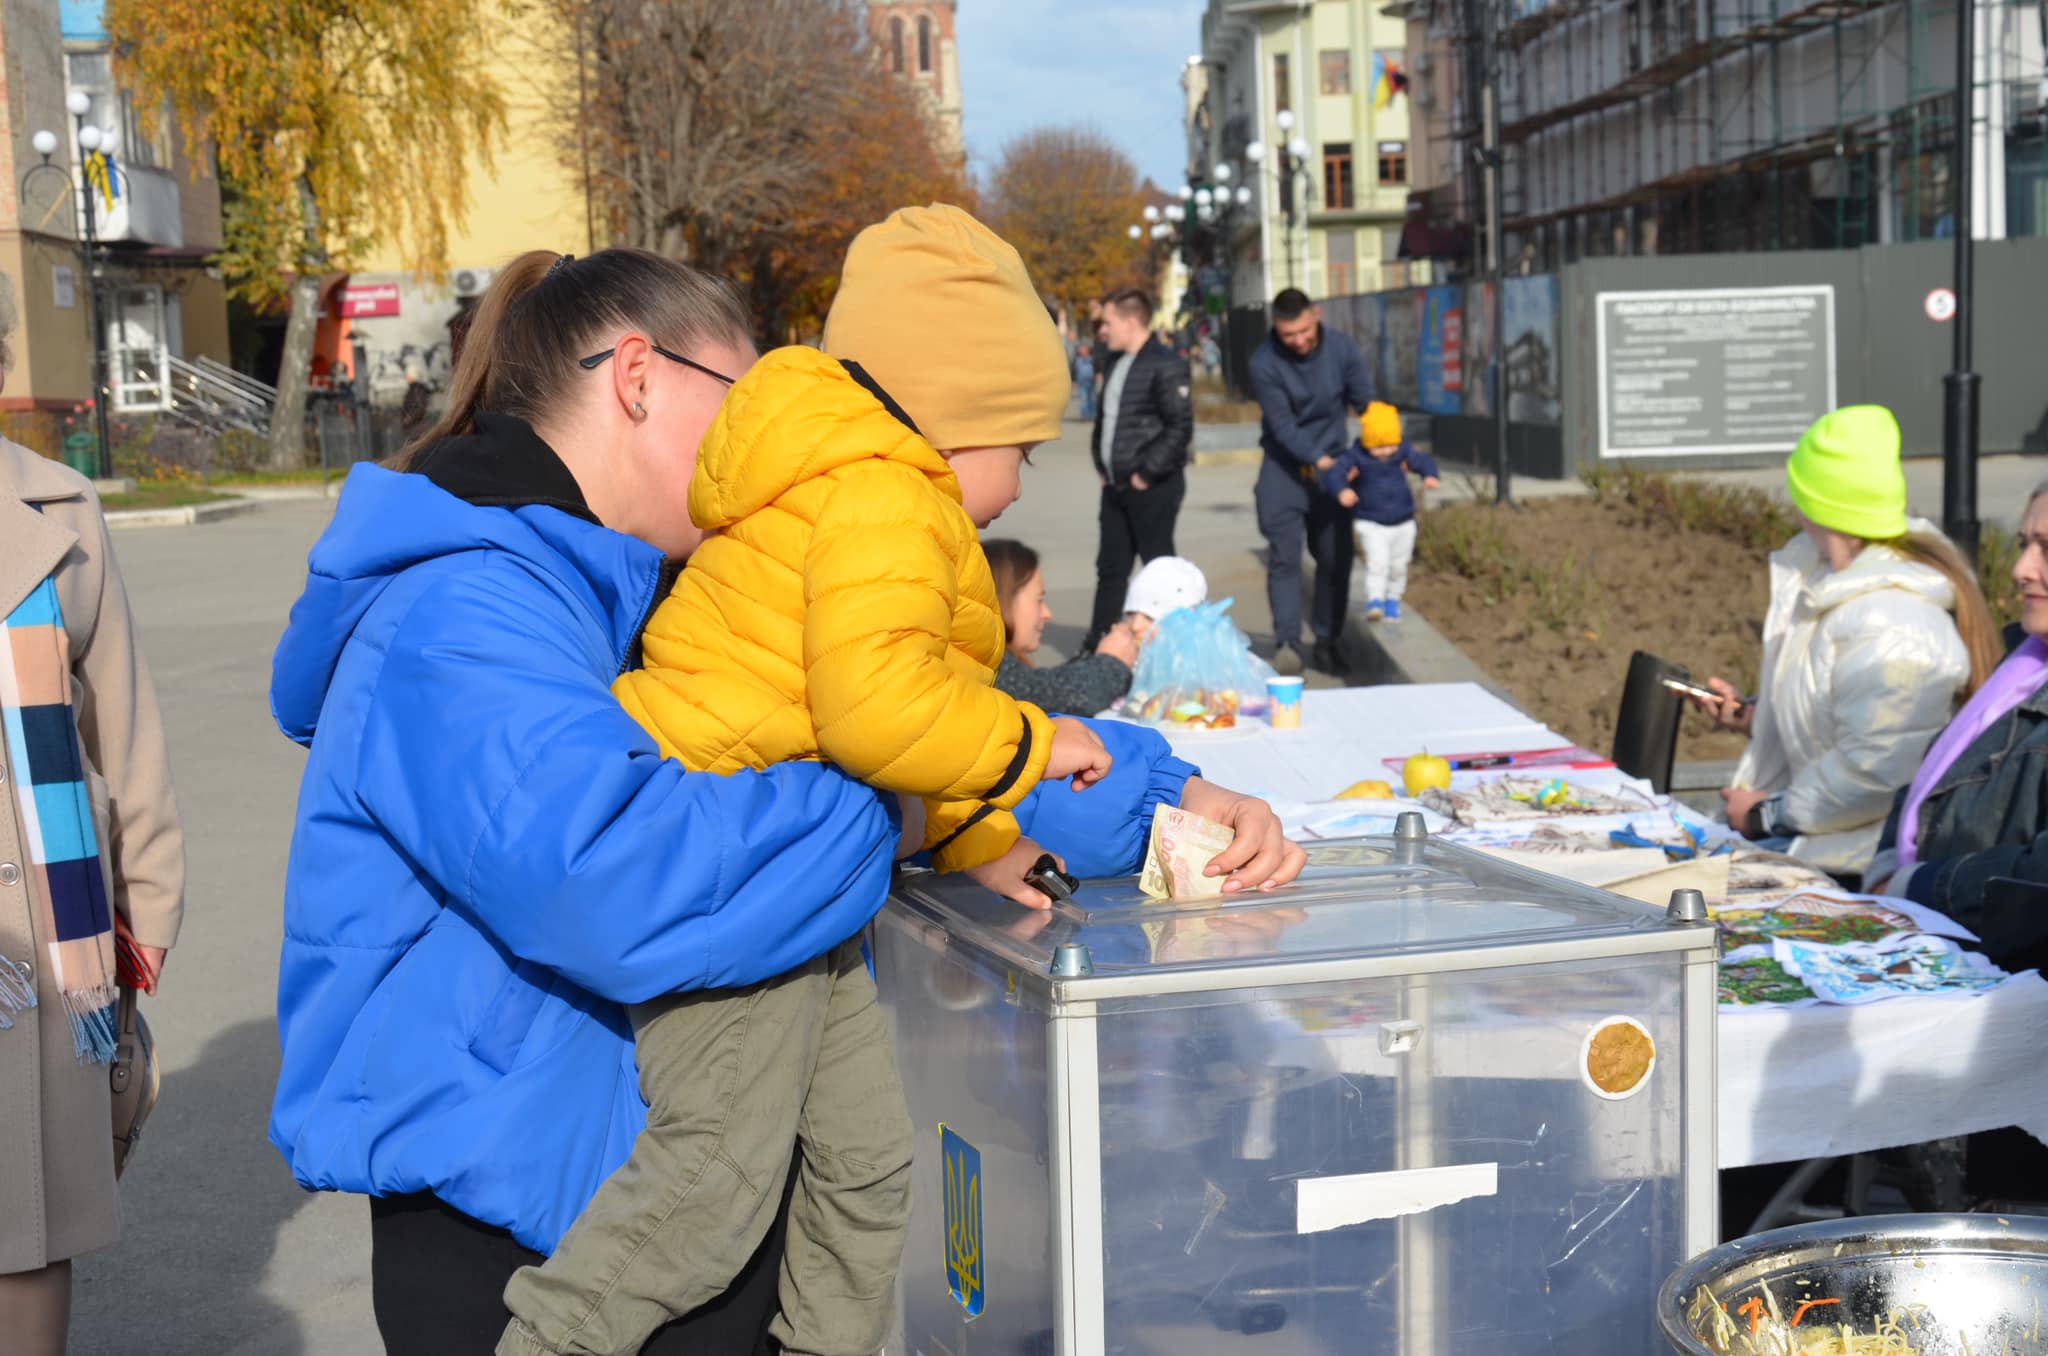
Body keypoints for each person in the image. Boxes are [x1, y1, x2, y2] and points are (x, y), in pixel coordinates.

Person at [267, 245, 1307, 1354]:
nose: (756, 441)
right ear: (637, 377)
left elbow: (917, 735)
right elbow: (626, 882)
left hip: (666, 1192)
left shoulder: (655, 576)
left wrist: (1168, 798)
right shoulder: (460, 608)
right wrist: (898, 816)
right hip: (533, 1237)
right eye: (739, 397)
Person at [503, 206, 1110, 1356]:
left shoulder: (869, 490)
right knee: (714, 1184)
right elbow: (880, 709)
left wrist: (983, 834)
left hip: (793, 878)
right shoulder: (886, 498)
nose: (1026, 480)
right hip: (734, 875)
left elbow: (891, 701)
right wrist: (1034, 745)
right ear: (952, 416)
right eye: (1020, 445)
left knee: (869, 1161)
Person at [1, 279, 186, 1354]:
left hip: (51, 953)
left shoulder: (56, 512)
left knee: (28, 1239)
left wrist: (142, 924)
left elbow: (125, 724)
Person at [1687, 406, 1996, 879]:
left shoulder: (1895, 622)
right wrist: (1755, 716)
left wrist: (1763, 814)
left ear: (1819, 500)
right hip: (1816, 850)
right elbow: (1841, 720)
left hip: (1856, 868)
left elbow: (1874, 773)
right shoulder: (1828, 587)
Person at [1865, 479, 2048, 963]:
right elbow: (1936, 777)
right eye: (2024, 544)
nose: (2020, 569)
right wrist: (1890, 861)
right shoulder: (2020, 673)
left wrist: (1916, 884)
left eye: (2047, 549)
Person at [1248, 288, 1376, 677]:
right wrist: (1320, 461)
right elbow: (1283, 425)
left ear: (1316, 315)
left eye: (1304, 330)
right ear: (1276, 328)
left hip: (1334, 468)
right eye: (1289, 335)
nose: (1299, 341)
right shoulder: (1264, 362)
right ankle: (1288, 643)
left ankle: (1328, 639)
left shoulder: (1342, 349)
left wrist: (1378, 449)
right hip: (1285, 468)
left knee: (1336, 559)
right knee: (1285, 557)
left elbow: (1366, 402)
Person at [1085, 288, 1194, 651]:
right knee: (1111, 570)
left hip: (1152, 487)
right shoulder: (1116, 361)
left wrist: (1145, 474)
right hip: (1115, 487)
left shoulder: (1165, 363)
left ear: (1132, 322)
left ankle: (1172, 649)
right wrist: (1103, 467)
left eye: (1109, 322)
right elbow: (1108, 421)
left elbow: (1180, 427)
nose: (1103, 330)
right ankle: (1099, 647)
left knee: (1159, 572)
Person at [988, 544, 1207, 716]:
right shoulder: (987, 667)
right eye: (1039, 600)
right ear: (1005, 600)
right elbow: (1049, 695)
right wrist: (1110, 664)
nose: (1047, 614)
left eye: (1149, 617)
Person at [1322, 400, 1440, 623]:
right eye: (1379, 447)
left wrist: (1430, 475)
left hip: (1403, 520)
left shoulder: (1402, 450)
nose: (1386, 452)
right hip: (1372, 521)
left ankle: (1393, 600)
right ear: (1368, 443)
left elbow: (1421, 460)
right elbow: (1336, 473)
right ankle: (1375, 600)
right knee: (1378, 562)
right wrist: (1342, 491)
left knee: (1398, 565)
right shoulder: (1357, 455)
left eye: (1390, 446)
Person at [1074, 344, 1097, 422]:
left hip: (1091, 382)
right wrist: (1074, 381)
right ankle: (1085, 416)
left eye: (1083, 349)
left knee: (1091, 399)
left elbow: (1097, 369)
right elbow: (1074, 371)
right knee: (1084, 399)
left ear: (1087, 350)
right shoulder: (1077, 360)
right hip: (1081, 383)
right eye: (1080, 350)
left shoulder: (1092, 359)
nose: (1081, 351)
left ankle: (1092, 415)